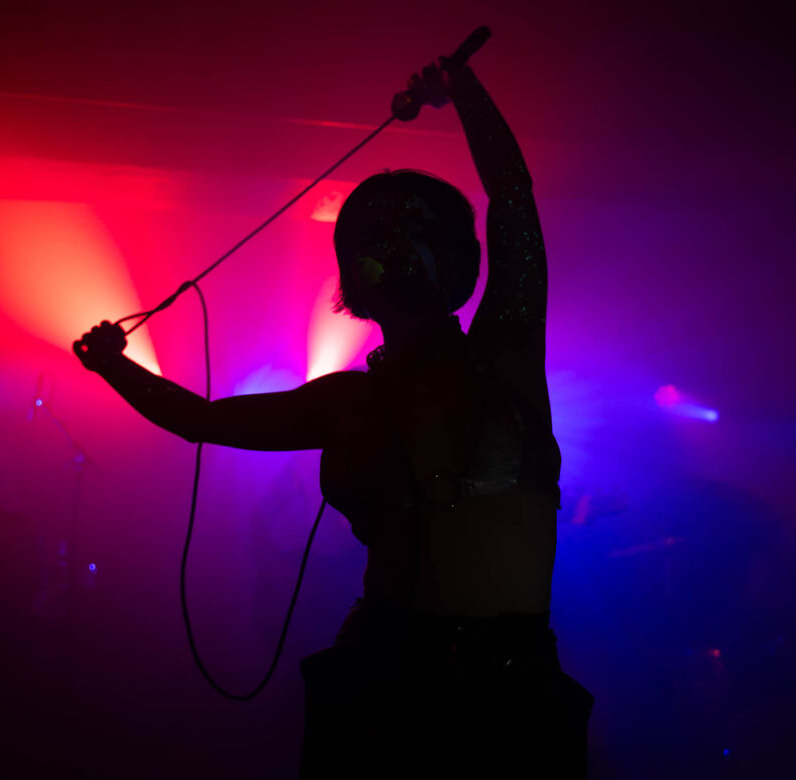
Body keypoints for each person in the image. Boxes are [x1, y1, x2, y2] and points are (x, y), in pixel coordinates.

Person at [75, 55, 592, 778]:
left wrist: (465, 90)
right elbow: (204, 421)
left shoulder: (501, 354)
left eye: (416, 232)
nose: (396, 250)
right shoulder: (349, 400)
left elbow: (512, 198)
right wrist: (113, 367)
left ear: (459, 261)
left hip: (502, 689)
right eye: (377, 237)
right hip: (386, 676)